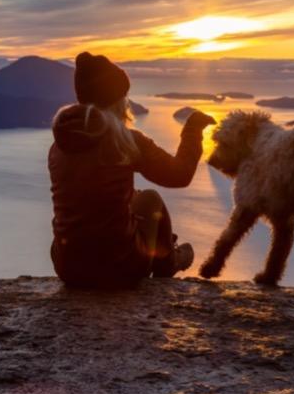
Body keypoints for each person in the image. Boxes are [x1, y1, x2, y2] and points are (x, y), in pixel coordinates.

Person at [49, 51, 216, 289]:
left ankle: (163, 253)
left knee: (109, 202)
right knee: (149, 198)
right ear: (118, 99)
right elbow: (179, 175)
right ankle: (167, 261)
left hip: (68, 268)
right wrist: (193, 129)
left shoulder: (59, 144)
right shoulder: (125, 140)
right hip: (120, 269)